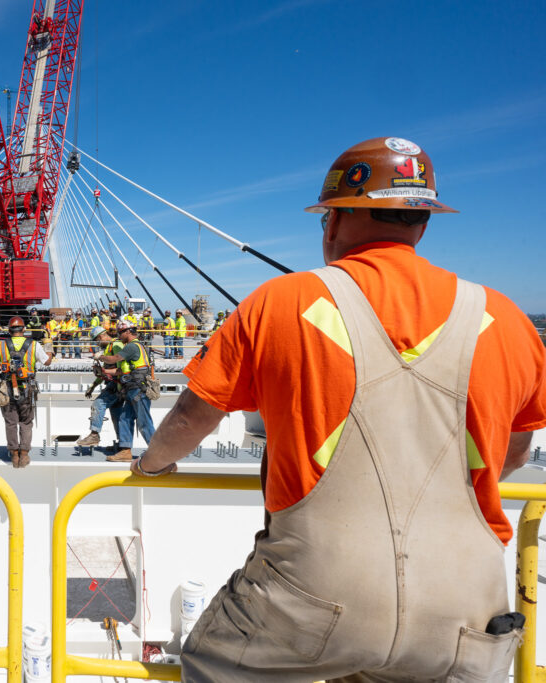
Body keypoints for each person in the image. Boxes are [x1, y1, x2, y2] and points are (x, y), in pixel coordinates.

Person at [133, 137, 546, 682]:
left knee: (210, 664)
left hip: (314, 593)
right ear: (421, 224)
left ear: (333, 221)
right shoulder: (508, 318)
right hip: (465, 608)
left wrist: (150, 465)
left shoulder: (282, 301)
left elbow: (193, 415)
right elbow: (514, 450)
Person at [0, 316, 54, 467]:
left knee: (10, 422)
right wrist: (49, 347)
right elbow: (47, 362)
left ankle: (14, 455)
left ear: (9, 330)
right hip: (27, 388)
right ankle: (24, 455)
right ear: (24, 329)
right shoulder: (34, 345)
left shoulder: (0, 345)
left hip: (6, 388)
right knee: (26, 421)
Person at [95, 319, 156, 462]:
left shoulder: (132, 346)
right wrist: (104, 372)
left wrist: (101, 357)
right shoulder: (135, 347)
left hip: (138, 390)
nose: (118, 335)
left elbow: (115, 358)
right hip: (133, 390)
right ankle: (125, 451)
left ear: (128, 331)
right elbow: (122, 370)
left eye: (120, 332)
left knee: (144, 422)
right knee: (125, 418)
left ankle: (156, 453)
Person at [76, 326, 126, 450]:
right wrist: (93, 386)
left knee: (98, 403)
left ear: (101, 336)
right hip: (115, 384)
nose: (98, 344)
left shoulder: (116, 345)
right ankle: (123, 444)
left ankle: (94, 435)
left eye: (97, 341)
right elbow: (105, 372)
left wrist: (119, 386)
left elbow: (121, 370)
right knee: (117, 415)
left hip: (118, 385)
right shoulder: (109, 348)